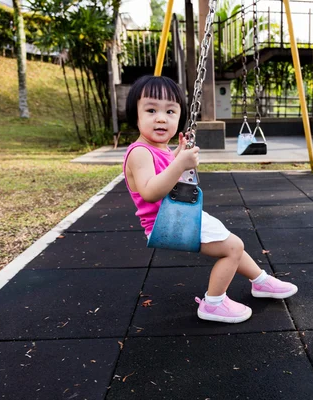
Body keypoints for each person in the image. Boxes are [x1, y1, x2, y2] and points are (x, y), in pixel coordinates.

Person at [123, 75, 298, 324]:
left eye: (170, 111)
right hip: (166, 224)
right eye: (151, 110)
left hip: (180, 215)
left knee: (230, 241)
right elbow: (150, 191)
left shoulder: (158, 148)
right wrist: (180, 164)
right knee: (233, 248)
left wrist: (177, 157)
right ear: (135, 115)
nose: (161, 118)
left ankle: (261, 281)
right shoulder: (139, 152)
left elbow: (166, 172)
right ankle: (213, 303)